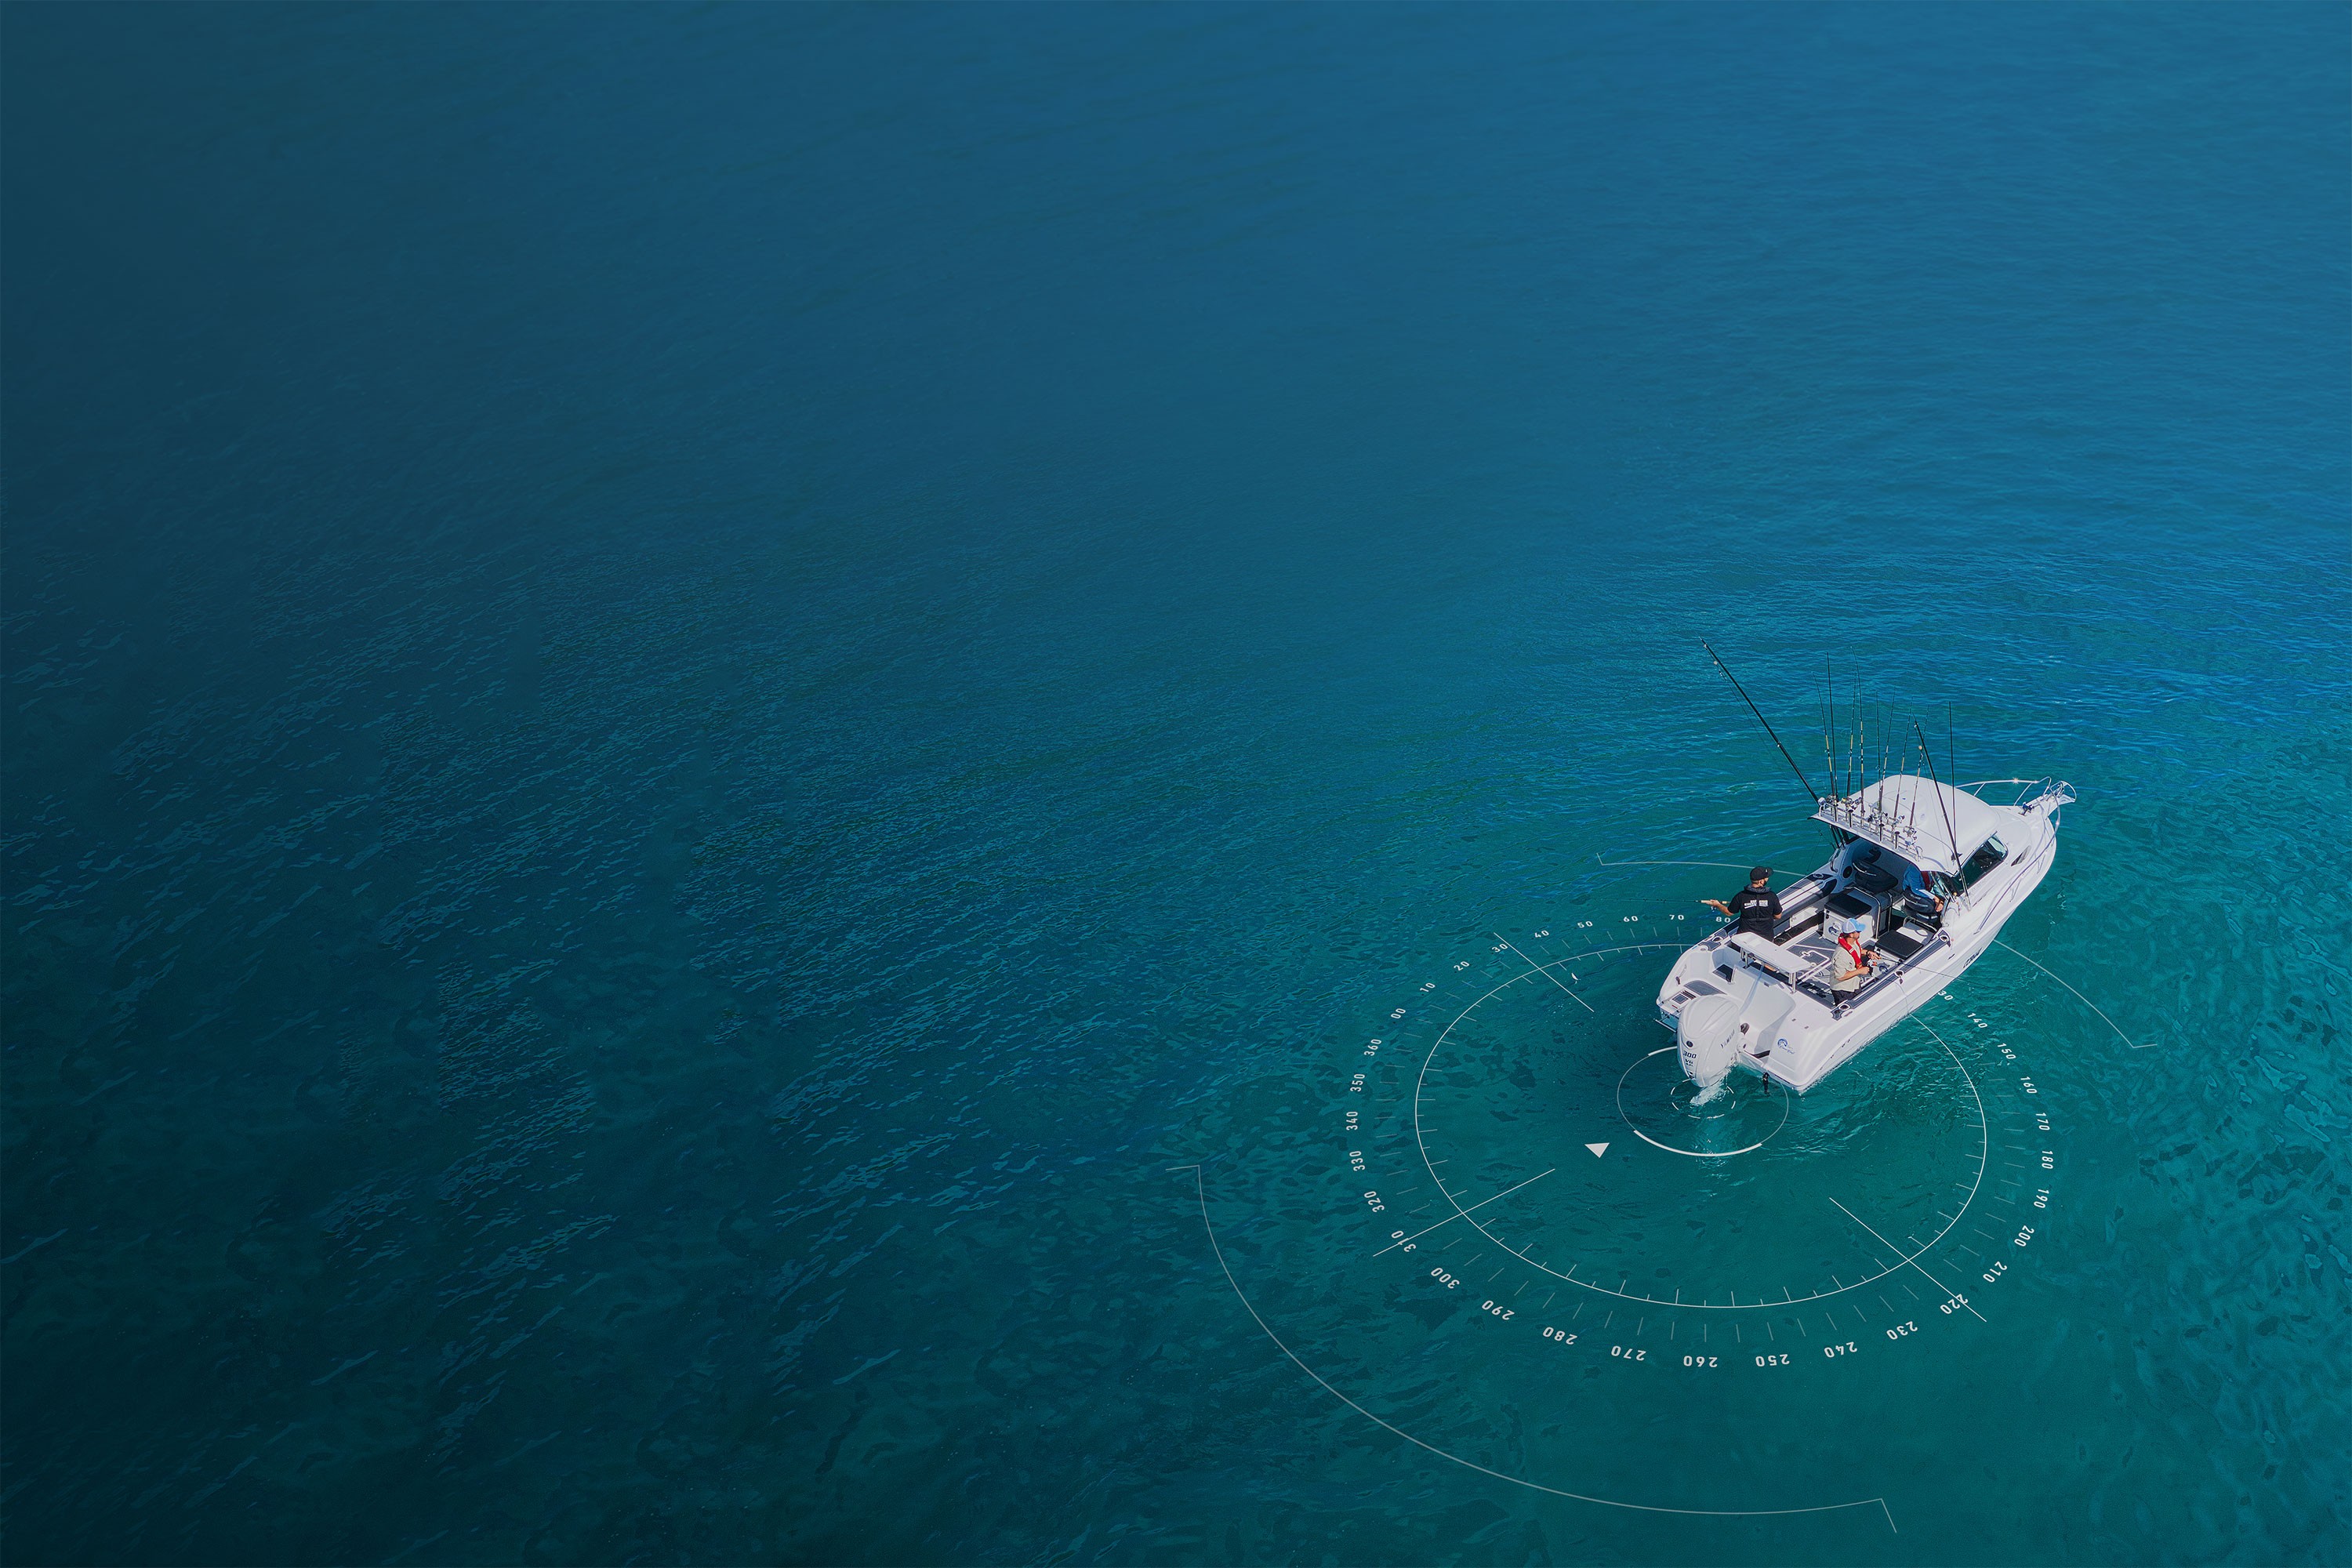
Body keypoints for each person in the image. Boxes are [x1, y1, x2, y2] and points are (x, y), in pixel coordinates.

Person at [1702, 866, 1782, 940]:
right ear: (1761, 881)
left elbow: (1729, 913)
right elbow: (1778, 916)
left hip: (1744, 938)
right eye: (1766, 878)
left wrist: (1717, 905)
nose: (1768, 879)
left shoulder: (1741, 896)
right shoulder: (1772, 896)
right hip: (1766, 938)